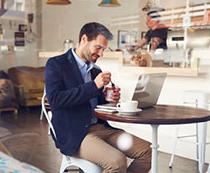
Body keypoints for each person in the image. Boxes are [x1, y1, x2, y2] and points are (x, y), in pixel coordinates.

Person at [45, 22, 151, 173]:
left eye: (103, 49)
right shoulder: (57, 64)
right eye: (98, 47)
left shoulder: (95, 70)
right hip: (75, 135)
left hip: (102, 128)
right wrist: (94, 86)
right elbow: (56, 101)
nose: (101, 54)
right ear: (84, 40)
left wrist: (109, 99)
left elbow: (96, 102)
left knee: (148, 151)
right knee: (117, 161)